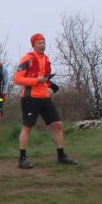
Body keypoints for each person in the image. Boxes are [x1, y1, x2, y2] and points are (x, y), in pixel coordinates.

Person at [15, 34, 78, 168]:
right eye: (39, 43)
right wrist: (36, 80)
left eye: (43, 42)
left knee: (57, 124)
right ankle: (22, 158)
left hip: (44, 96)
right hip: (30, 97)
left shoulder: (46, 59)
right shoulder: (27, 58)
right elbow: (17, 79)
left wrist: (51, 85)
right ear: (33, 45)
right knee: (27, 126)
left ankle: (61, 156)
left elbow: (44, 78)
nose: (42, 45)